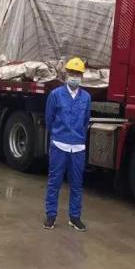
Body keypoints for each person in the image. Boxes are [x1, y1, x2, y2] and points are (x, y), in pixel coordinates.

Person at [43, 57, 91, 232]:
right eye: (72, 73)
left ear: (82, 76)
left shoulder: (86, 97)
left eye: (78, 74)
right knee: (54, 182)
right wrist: (57, 135)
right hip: (59, 145)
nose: (75, 76)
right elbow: (49, 118)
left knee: (77, 184)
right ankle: (51, 216)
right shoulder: (56, 95)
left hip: (77, 147)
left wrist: (78, 137)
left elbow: (86, 120)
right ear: (66, 74)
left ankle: (75, 217)